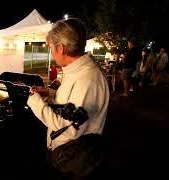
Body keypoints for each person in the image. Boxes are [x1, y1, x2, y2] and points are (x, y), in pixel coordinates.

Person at [27, 18, 109, 178]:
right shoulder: (77, 70)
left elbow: (70, 128)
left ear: (61, 48)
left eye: (51, 48)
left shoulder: (87, 79)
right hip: (64, 153)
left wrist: (35, 102)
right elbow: (71, 104)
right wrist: (50, 94)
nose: (51, 52)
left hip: (71, 158)